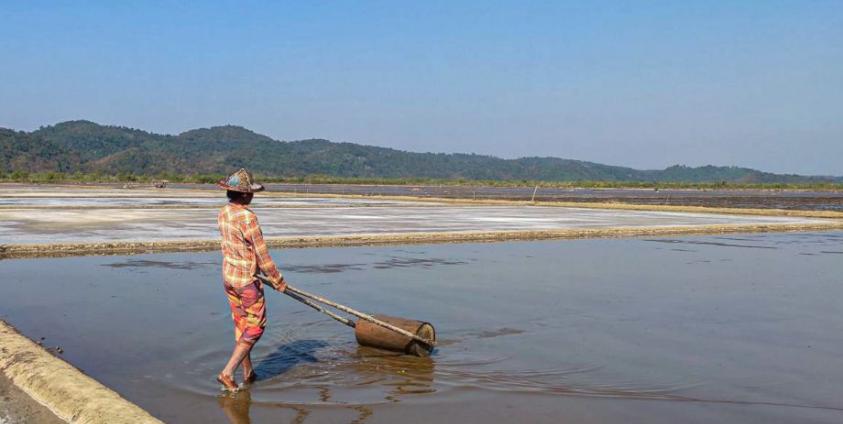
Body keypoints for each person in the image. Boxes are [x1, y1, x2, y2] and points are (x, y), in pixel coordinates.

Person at [216, 168, 286, 391]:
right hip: (246, 281)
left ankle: (248, 372)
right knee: (255, 328)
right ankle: (227, 373)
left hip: (229, 277)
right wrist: (277, 279)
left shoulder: (224, 212)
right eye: (250, 193)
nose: (252, 196)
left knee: (242, 324)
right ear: (244, 195)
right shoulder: (248, 218)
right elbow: (262, 256)